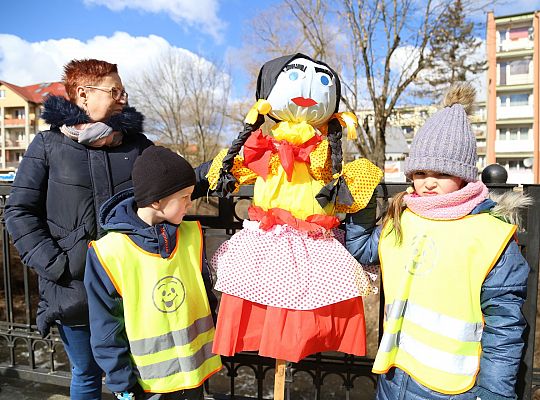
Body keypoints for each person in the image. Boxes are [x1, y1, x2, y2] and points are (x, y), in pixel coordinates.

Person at [4, 59, 210, 399]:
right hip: (75, 292)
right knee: (86, 376)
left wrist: (227, 165)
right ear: (83, 95)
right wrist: (59, 266)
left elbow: (174, 183)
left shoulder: (136, 145)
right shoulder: (48, 146)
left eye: (123, 91)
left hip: (136, 288)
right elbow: (19, 211)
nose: (123, 99)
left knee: (136, 377)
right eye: (115, 91)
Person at [345, 83, 530, 400]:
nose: (428, 182)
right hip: (394, 376)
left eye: (442, 173)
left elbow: (504, 325)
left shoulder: (488, 234)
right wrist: (359, 204)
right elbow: (361, 250)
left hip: (452, 388)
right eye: (420, 172)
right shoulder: (406, 217)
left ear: (462, 175)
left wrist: (494, 394)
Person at [206, 53, 382, 363]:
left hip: (315, 244)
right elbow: (224, 175)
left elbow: (350, 190)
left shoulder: (325, 154)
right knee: (265, 308)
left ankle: (290, 357)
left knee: (305, 314)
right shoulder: (265, 149)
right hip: (267, 241)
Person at [84, 145, 221, 400]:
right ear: (156, 200)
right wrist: (121, 382)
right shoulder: (109, 252)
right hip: (146, 386)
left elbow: (204, 295)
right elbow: (105, 326)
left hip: (192, 375)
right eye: (184, 197)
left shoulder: (191, 236)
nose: (190, 203)